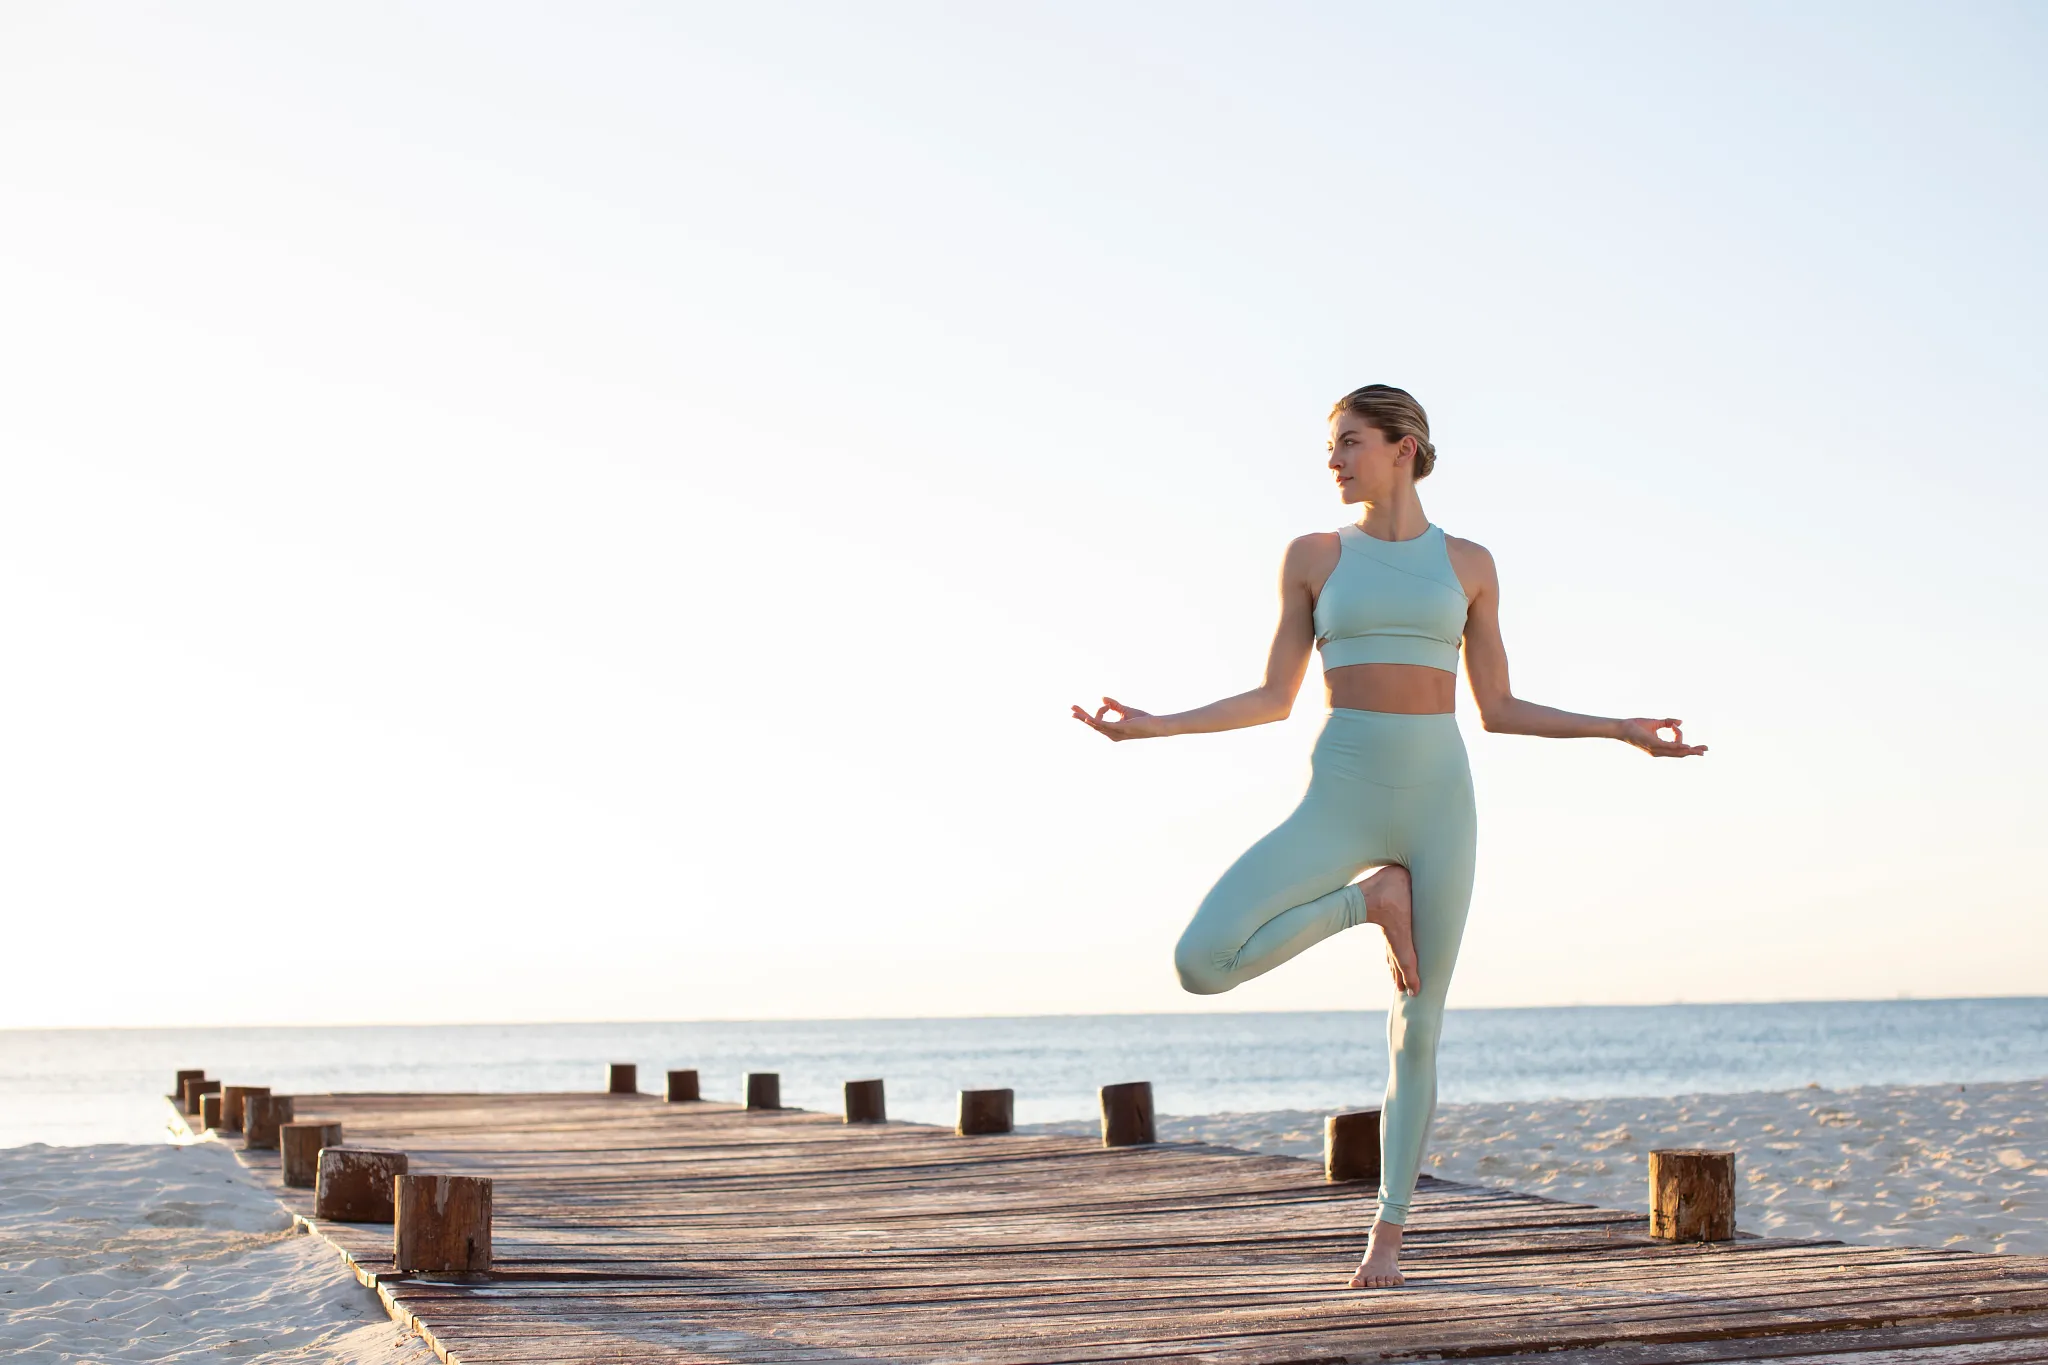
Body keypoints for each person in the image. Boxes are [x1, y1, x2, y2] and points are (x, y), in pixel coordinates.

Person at [1071, 384, 1705, 1288]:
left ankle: (1389, 1235)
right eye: (1331, 447)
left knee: (1419, 1026)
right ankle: (1368, 901)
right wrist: (1155, 724)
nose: (1333, 461)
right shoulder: (1314, 556)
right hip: (1341, 801)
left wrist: (1620, 728)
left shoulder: (1473, 563)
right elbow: (1271, 697)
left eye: (1348, 443)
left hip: (1441, 801)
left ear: (1404, 447)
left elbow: (1501, 707)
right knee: (1201, 960)